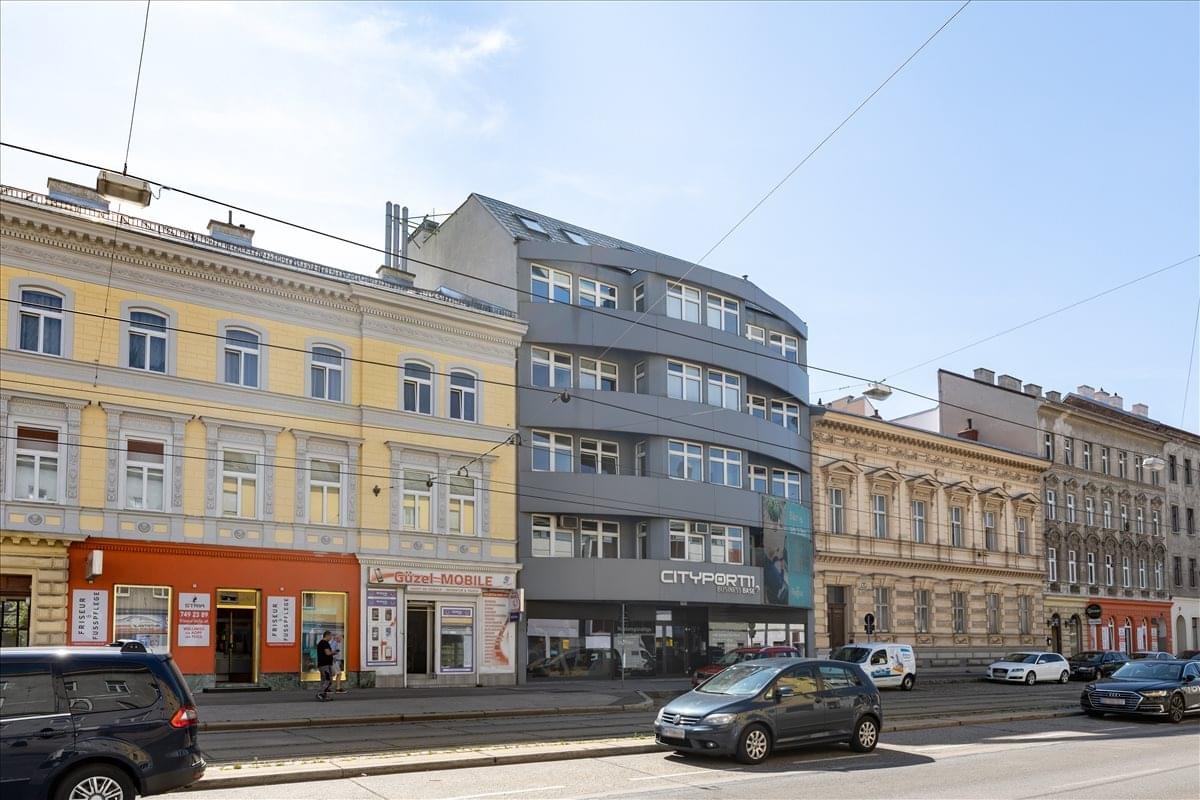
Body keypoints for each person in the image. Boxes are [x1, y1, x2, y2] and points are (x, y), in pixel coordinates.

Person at [315, 630, 334, 701]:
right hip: (324, 665)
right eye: (331, 636)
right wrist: (334, 652)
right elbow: (327, 653)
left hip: (326, 664)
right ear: (327, 635)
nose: (331, 637)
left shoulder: (324, 643)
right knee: (327, 679)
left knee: (327, 680)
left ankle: (324, 695)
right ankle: (320, 693)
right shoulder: (324, 643)